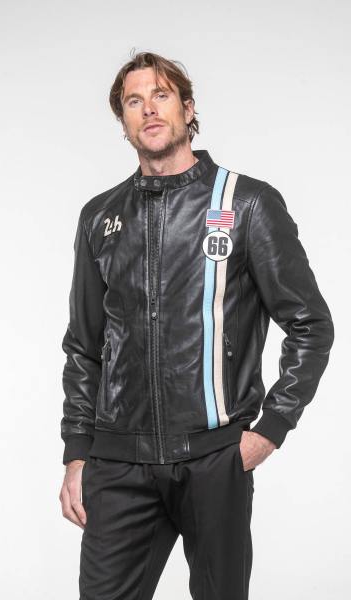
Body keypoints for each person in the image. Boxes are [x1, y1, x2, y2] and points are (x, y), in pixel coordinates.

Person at [58, 51, 334, 600]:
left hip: (214, 459)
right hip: (119, 462)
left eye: (161, 95)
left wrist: (270, 430)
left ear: (187, 109)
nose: (148, 109)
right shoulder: (100, 217)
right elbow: (84, 347)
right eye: (133, 101)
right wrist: (77, 452)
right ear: (123, 122)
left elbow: (310, 324)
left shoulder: (247, 203)